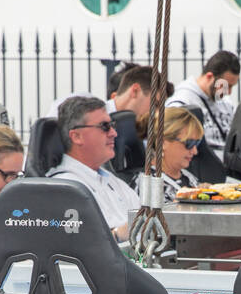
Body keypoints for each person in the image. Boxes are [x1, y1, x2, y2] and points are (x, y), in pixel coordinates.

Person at [47, 96, 140, 239]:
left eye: (112, 125)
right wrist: (117, 236)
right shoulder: (64, 188)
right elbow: (76, 246)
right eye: (105, 127)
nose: (114, 133)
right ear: (77, 136)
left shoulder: (115, 182)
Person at [166, 51, 241, 154]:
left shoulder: (225, 101)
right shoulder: (182, 102)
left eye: (232, 86)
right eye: (226, 85)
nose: (228, 92)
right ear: (209, 77)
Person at [46, 65, 164, 123]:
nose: (157, 112)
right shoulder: (81, 105)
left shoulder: (143, 134)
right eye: (156, 104)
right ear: (135, 91)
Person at [133, 107, 204, 193]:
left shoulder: (188, 177)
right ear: (163, 143)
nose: (195, 151)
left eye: (197, 143)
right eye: (190, 143)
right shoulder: (147, 183)